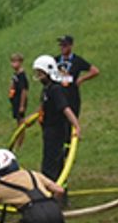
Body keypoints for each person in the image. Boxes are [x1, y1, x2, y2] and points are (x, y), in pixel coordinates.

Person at [34, 53, 82, 181]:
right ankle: (59, 192)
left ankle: (51, 192)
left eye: (40, 73)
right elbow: (45, 106)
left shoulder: (55, 89)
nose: (38, 77)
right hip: (48, 130)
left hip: (55, 131)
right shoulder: (47, 89)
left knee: (51, 165)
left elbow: (65, 108)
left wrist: (76, 126)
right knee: (54, 163)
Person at [56, 34, 101, 118]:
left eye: (65, 45)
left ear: (71, 45)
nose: (62, 47)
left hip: (72, 96)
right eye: (61, 45)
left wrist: (82, 79)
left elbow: (95, 71)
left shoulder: (77, 60)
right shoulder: (55, 60)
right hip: (59, 94)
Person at [9, 53, 30, 122]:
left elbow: (24, 90)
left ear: (20, 62)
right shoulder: (15, 74)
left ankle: (22, 133)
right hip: (15, 100)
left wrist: (22, 106)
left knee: (21, 120)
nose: (12, 64)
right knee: (18, 120)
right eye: (12, 62)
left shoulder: (22, 76)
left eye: (15, 62)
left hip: (19, 101)